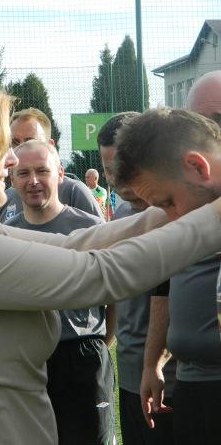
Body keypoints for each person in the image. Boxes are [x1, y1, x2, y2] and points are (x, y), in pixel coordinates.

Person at [0, 76, 221, 445]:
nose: (12, 159)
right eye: (2, 145)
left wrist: (175, 204)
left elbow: (74, 246)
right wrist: (214, 216)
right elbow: (98, 274)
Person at [114, 107, 221, 445]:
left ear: (197, 166)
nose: (171, 220)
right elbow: (164, 288)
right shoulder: (187, 217)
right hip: (191, 389)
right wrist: (152, 362)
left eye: (169, 202)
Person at [6, 140, 115, 444]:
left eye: (42, 171)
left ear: (60, 174)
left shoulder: (90, 228)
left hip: (83, 358)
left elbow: (115, 297)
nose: (33, 181)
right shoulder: (5, 234)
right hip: (27, 363)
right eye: (23, 173)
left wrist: (97, 342)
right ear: (12, 179)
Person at [97, 112, 176, 445]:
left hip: (172, 380)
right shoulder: (120, 215)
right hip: (130, 376)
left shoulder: (178, 214)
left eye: (124, 166)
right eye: (108, 169)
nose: (118, 179)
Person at [0, 108, 102, 222]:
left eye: (30, 142)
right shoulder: (3, 199)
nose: (21, 148)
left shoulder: (74, 192)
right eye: (14, 143)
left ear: (50, 145)